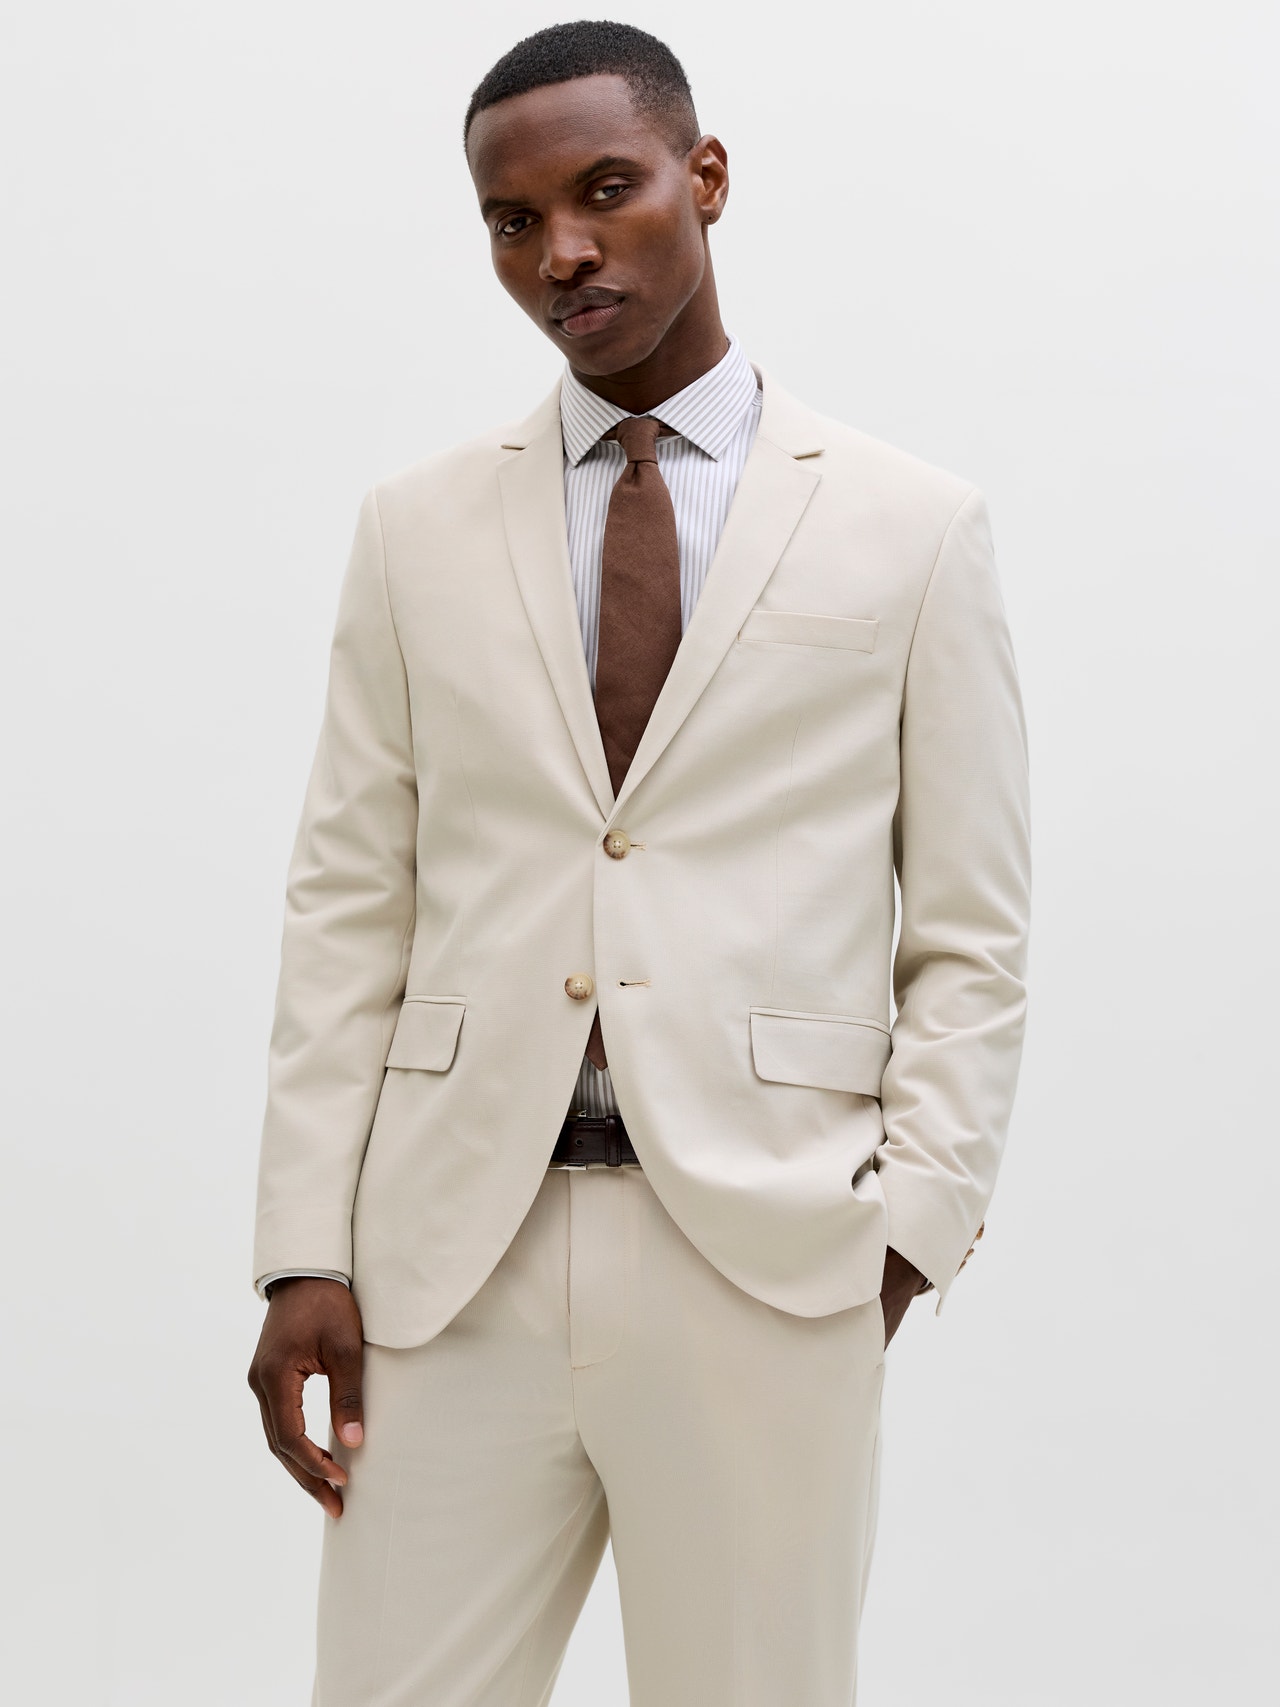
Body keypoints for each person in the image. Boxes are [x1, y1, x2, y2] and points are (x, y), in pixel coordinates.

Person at [247, 20, 1031, 1705]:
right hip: (453, 1255)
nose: (563, 252)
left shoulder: (911, 525)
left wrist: (909, 1226)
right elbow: (349, 905)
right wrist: (307, 1244)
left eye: (606, 191)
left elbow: (971, 930)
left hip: (767, 1252)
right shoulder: (414, 529)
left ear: (707, 178)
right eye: (512, 220)